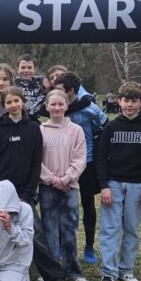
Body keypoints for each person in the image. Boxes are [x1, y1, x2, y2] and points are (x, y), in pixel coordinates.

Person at [0, 85, 70, 281]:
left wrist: (27, 194)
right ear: (4, 106)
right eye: (9, 102)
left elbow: (36, 164)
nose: (13, 105)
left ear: (23, 102)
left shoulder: (33, 129)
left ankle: (55, 279)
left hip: (22, 192)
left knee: (34, 233)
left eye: (16, 101)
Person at [95, 81, 141, 281]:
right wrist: (104, 185)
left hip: (138, 185)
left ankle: (126, 269)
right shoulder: (111, 127)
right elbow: (101, 158)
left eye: (134, 101)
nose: (129, 105)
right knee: (110, 229)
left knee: (131, 228)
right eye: (126, 100)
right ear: (119, 101)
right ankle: (108, 272)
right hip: (113, 184)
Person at [39, 88, 88, 281]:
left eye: (61, 104)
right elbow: (36, 160)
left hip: (70, 187)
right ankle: (52, 271)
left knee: (69, 229)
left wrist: (67, 178)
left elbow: (80, 158)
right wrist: (52, 179)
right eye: (53, 104)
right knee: (49, 230)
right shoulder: (41, 130)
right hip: (47, 186)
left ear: (67, 106)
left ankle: (73, 270)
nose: (57, 107)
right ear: (47, 106)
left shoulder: (76, 130)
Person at [57, 72, 106, 267]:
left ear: (70, 91)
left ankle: (89, 247)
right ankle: (61, 246)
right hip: (63, 164)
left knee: (87, 204)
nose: (56, 94)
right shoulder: (58, 106)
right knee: (63, 206)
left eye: (60, 90)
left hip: (87, 163)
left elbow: (106, 126)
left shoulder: (90, 109)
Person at [14, 54, 48, 119]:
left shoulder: (41, 83)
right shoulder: (12, 83)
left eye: (29, 67)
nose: (26, 70)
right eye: (23, 68)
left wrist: (46, 81)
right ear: (17, 69)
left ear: (35, 69)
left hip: (34, 119)